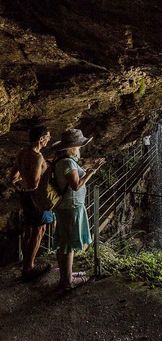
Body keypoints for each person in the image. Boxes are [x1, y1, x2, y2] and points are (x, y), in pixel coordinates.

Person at [52, 128, 104, 291]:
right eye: (79, 146)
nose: (80, 148)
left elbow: (71, 176)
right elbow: (75, 185)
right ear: (72, 147)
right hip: (71, 206)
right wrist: (91, 172)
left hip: (65, 206)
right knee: (67, 244)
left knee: (64, 241)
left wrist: (87, 168)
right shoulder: (67, 162)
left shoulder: (62, 160)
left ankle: (66, 275)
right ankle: (66, 282)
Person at [9, 124, 54, 281]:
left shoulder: (22, 153)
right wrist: (44, 168)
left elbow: (13, 178)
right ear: (41, 139)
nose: (49, 139)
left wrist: (23, 182)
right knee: (39, 231)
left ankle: (26, 264)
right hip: (36, 198)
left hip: (24, 196)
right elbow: (35, 183)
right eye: (48, 137)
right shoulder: (37, 156)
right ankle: (29, 268)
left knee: (29, 230)